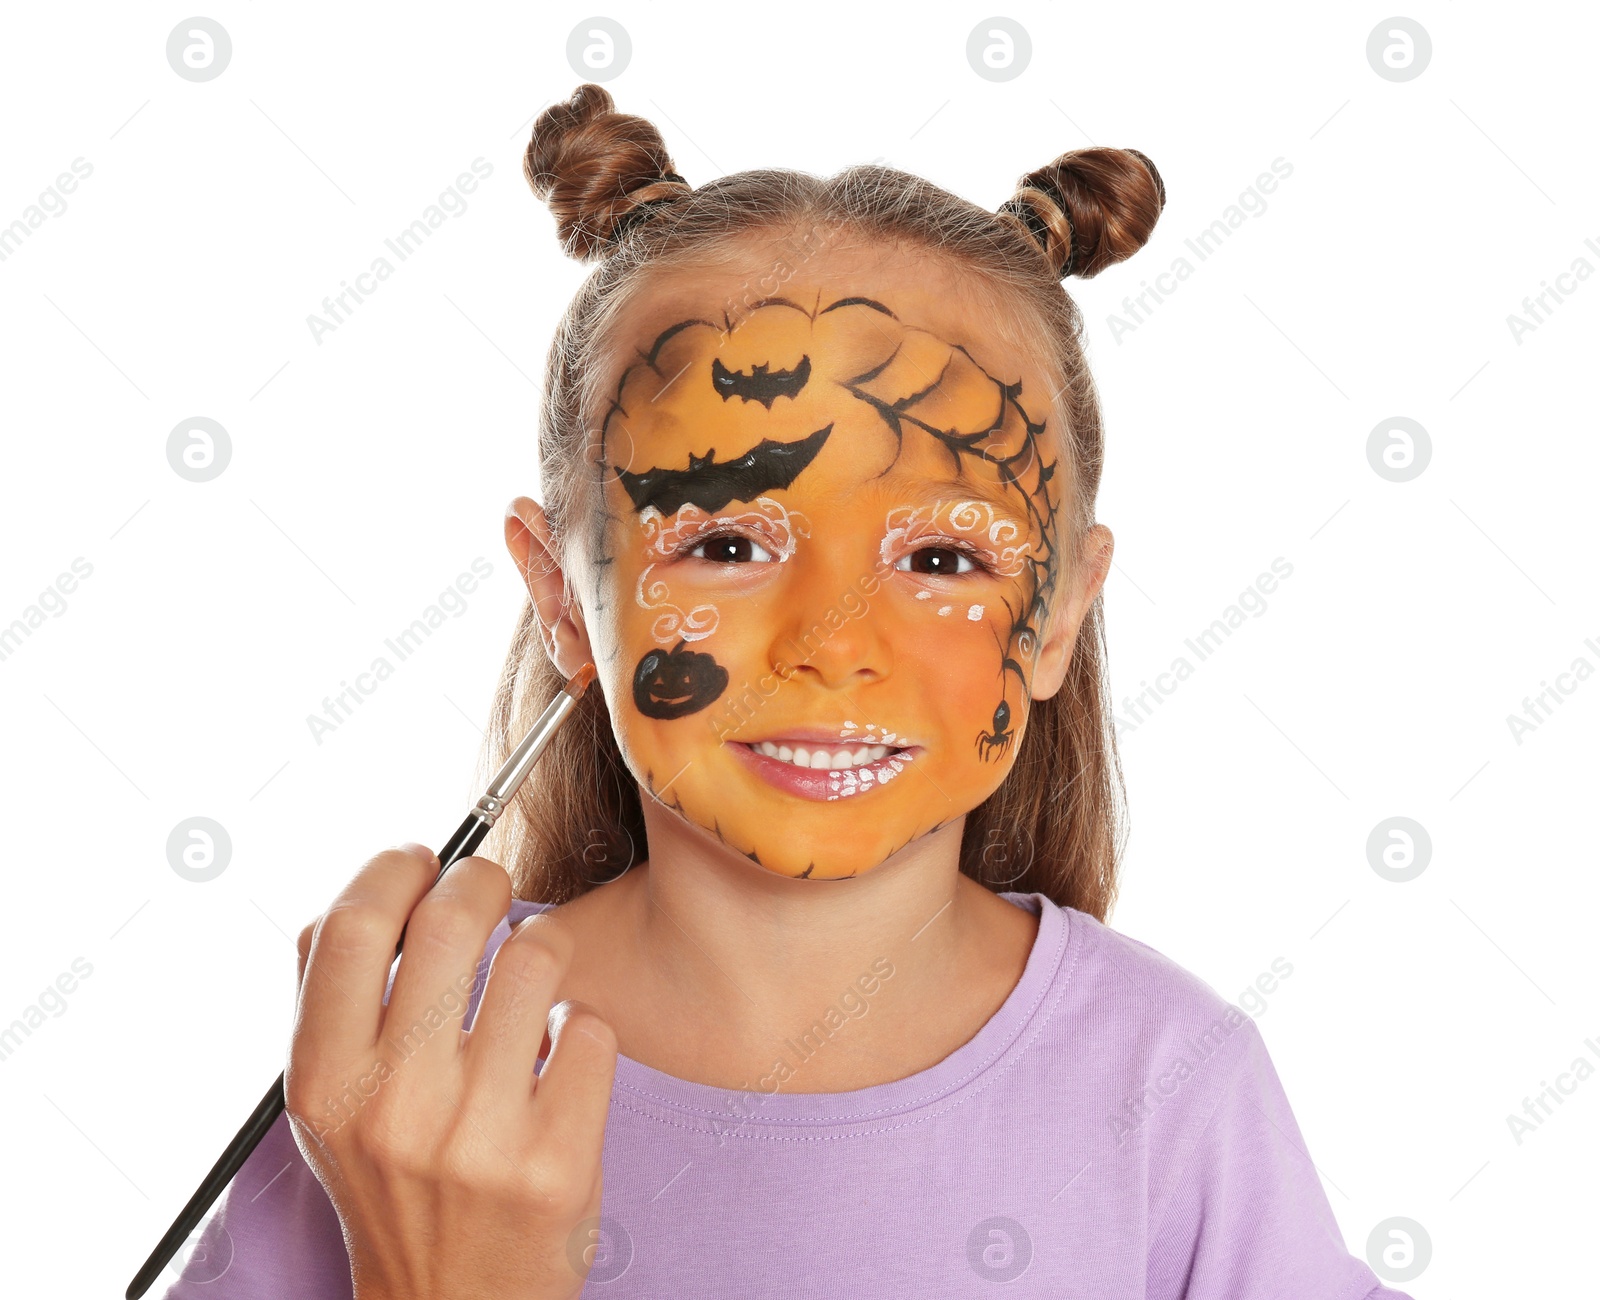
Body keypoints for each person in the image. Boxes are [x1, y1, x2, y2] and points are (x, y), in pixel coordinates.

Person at [161, 82, 1414, 1299]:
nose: (830, 643)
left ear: (1058, 619)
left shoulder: (1168, 1083)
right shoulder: (408, 1069)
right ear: (562, 596)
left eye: (939, 558)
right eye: (725, 543)